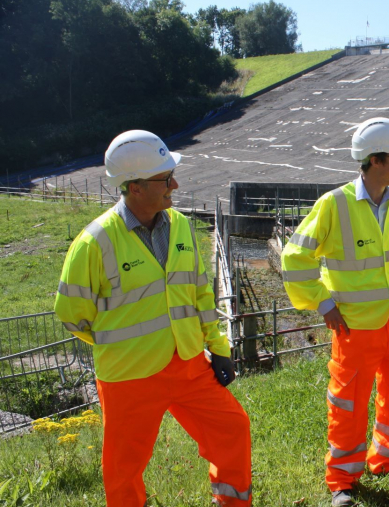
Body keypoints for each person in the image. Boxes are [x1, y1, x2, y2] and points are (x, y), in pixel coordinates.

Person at [55, 130, 252, 507]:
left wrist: (218, 346)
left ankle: (232, 503)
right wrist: (121, 343)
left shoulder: (179, 225)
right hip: (128, 377)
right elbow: (71, 315)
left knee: (232, 428)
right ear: (135, 187)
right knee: (124, 467)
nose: (175, 185)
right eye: (165, 179)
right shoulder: (94, 242)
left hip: (188, 363)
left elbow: (199, 292)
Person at [281, 117, 389, 507]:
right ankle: (342, 480)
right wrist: (323, 303)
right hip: (356, 327)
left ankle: (387, 461)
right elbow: (295, 257)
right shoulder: (334, 204)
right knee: (349, 403)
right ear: (376, 161)